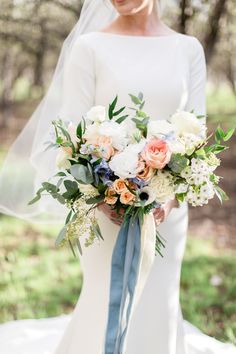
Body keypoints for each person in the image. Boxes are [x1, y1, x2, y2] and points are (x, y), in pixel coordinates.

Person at [0, 1, 235, 354]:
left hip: (166, 209)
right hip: (105, 206)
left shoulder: (188, 48)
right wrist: (104, 192)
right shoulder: (89, 47)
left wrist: (171, 195)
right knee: (104, 297)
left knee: (158, 301)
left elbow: (195, 127)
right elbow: (71, 131)